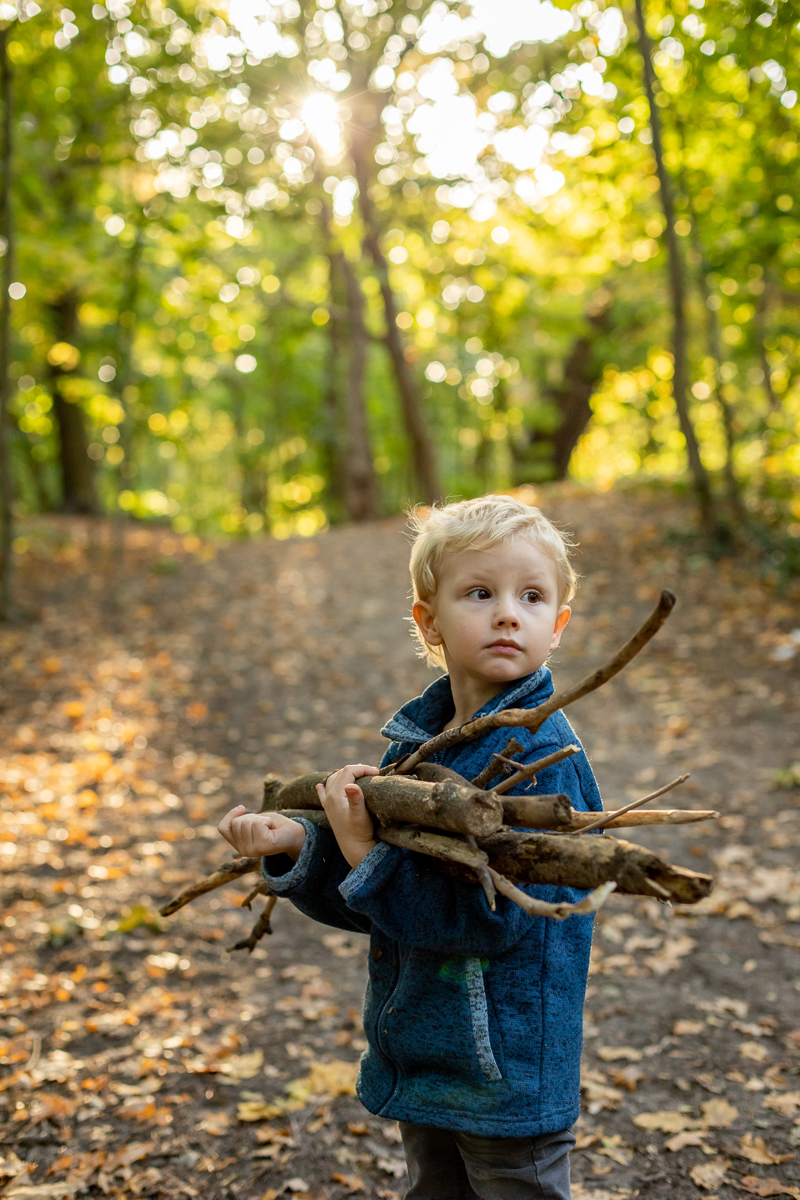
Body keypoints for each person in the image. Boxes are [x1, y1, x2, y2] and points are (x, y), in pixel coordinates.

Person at [218, 495, 603, 1200]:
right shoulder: (415, 749)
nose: (508, 613)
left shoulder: (545, 761)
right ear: (429, 622)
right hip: (428, 1055)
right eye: (479, 593)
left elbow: (486, 921)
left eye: (532, 596)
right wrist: (301, 846)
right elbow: (384, 907)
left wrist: (367, 854)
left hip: (504, 1076)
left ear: (558, 625)